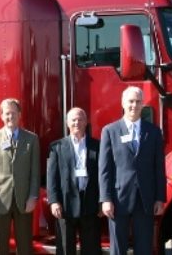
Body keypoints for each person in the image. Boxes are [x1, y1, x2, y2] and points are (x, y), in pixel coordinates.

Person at [99, 86, 165, 255]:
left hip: (145, 198)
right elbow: (105, 169)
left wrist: (160, 198)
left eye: (138, 102)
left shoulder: (154, 132)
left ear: (143, 104)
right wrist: (106, 199)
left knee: (144, 247)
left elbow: (159, 167)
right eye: (130, 101)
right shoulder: (110, 131)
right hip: (118, 198)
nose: (134, 105)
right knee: (118, 248)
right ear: (123, 103)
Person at [0, 98, 40, 255]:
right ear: (1, 115)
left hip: (24, 200)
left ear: (19, 115)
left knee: (25, 245)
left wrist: (33, 197)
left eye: (14, 113)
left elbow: (35, 172)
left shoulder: (32, 139)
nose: (10, 116)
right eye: (7, 113)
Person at [46, 107, 101, 255]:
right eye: (73, 120)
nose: (77, 122)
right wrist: (53, 201)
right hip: (65, 204)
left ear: (86, 122)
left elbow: (103, 176)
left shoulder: (98, 146)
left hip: (90, 203)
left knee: (91, 249)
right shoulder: (56, 147)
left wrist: (102, 201)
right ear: (67, 123)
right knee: (65, 248)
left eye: (80, 119)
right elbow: (52, 177)